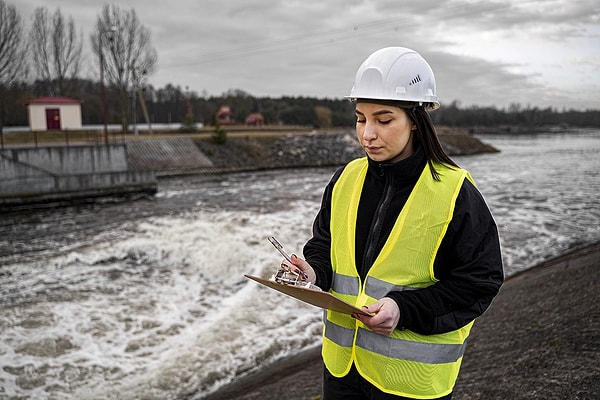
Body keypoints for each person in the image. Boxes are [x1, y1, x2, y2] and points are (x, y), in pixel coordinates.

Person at [284, 47, 504, 399]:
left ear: (415, 120)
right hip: (342, 372)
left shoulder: (453, 191)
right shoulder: (346, 179)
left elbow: (480, 281)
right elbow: (325, 245)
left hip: (410, 383)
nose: (367, 133)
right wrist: (312, 271)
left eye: (383, 120)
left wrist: (403, 309)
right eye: (360, 118)